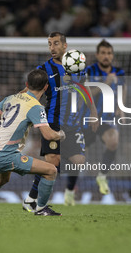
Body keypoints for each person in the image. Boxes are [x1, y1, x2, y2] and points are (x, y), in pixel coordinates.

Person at [0, 69, 65, 216]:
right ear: (46, 88)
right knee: (51, 170)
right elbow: (48, 134)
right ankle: (41, 208)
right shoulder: (36, 107)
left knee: (1, 178)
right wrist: (60, 134)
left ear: (27, 84)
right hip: (6, 153)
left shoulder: (12, 98)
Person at [22, 32, 98, 209]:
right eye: (49, 44)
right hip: (52, 123)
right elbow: (31, 92)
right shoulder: (44, 69)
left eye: (55, 43)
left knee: (78, 161)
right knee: (53, 162)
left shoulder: (78, 67)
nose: (52, 47)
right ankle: (33, 200)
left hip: (73, 124)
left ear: (65, 46)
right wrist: (17, 105)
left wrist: (93, 111)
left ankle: (33, 196)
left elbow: (84, 89)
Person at [83, 39, 126, 195]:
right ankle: (68, 187)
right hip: (89, 118)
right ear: (97, 55)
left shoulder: (119, 72)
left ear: (112, 55)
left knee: (113, 142)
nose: (106, 56)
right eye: (103, 53)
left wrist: (121, 107)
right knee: (78, 158)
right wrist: (104, 83)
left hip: (108, 117)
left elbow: (123, 89)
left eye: (109, 53)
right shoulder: (89, 71)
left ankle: (102, 176)